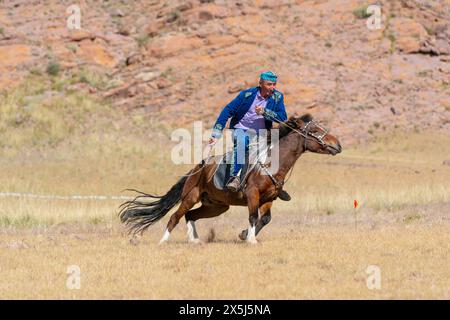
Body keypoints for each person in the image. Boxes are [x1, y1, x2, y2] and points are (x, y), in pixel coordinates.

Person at [208, 71, 291, 201]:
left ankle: (276, 185)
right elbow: (227, 111)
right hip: (240, 129)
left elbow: (282, 117)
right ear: (261, 84)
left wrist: (265, 112)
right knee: (242, 143)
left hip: (263, 132)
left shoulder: (277, 97)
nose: (273, 87)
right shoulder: (246, 95)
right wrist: (216, 133)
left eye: (274, 84)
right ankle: (235, 177)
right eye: (269, 84)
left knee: (277, 150)